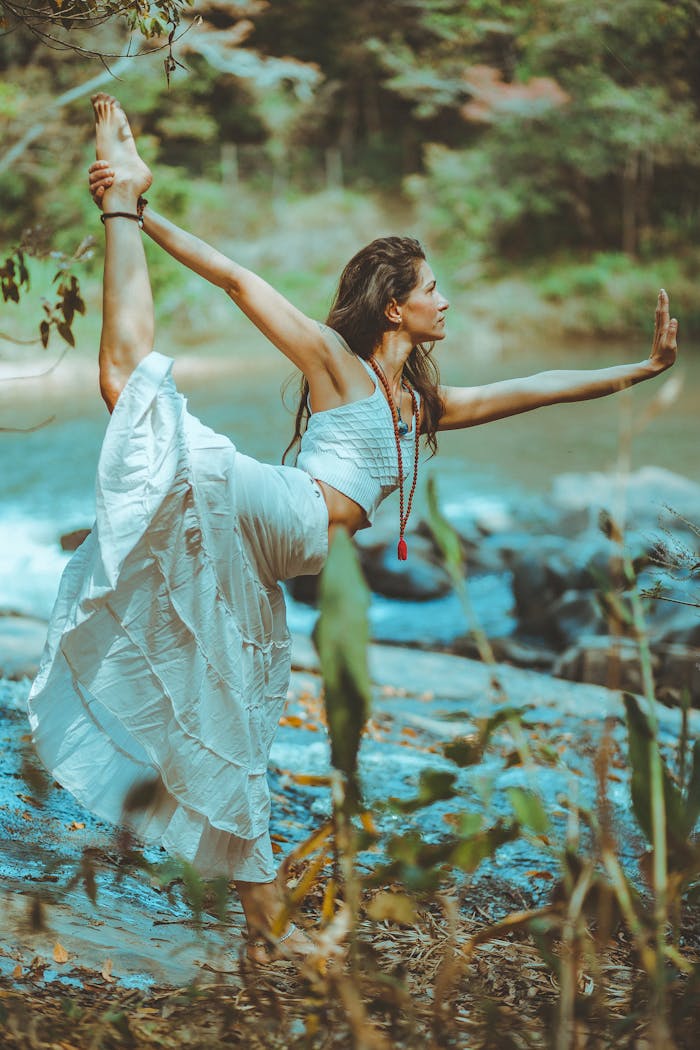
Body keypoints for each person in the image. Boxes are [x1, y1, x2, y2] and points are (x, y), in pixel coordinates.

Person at [28, 94, 678, 963]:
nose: (444, 302)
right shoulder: (340, 367)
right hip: (286, 514)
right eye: (432, 289)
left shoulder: (421, 406)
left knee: (235, 720)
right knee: (129, 391)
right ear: (394, 306)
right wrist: (146, 214)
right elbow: (237, 280)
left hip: (280, 552)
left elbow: (538, 386)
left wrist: (639, 370)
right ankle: (116, 200)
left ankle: (265, 934)